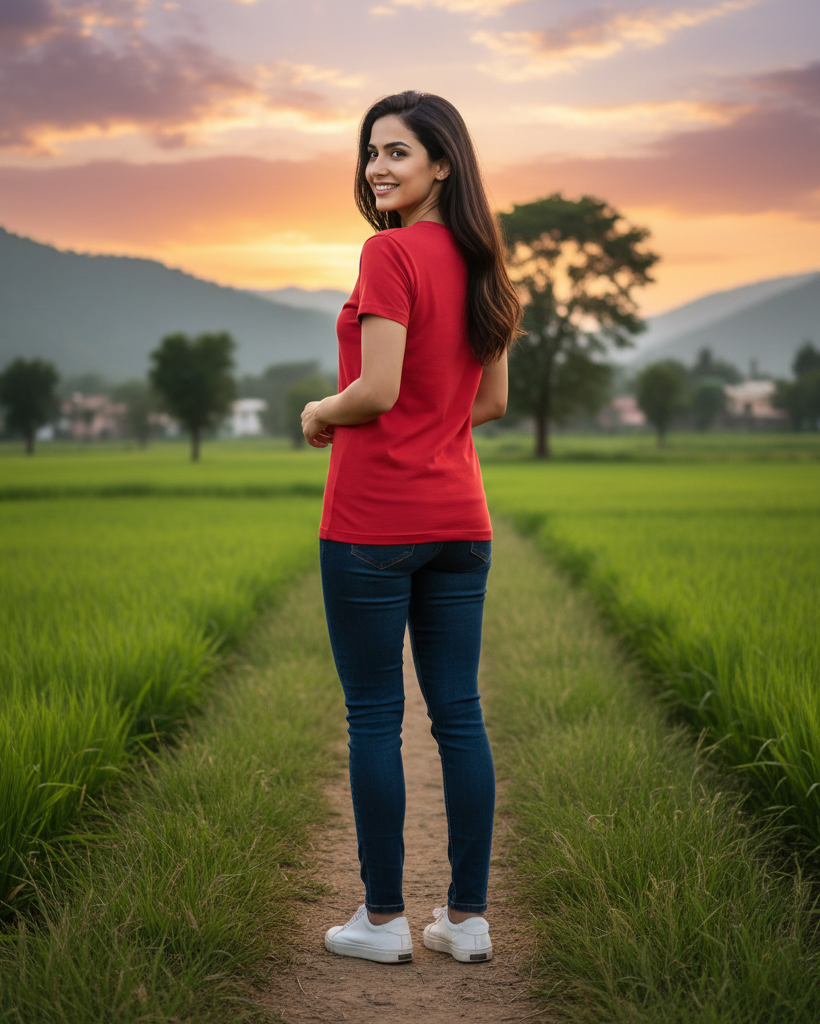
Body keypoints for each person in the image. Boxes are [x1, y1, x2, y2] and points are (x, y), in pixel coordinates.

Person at [301, 90, 521, 965]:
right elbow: (493, 401)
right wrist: (438, 428)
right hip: (461, 520)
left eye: (397, 152)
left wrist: (320, 409)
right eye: (371, 153)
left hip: (370, 522)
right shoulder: (484, 265)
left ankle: (383, 923)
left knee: (373, 718)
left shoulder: (387, 252)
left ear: (442, 164)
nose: (378, 168)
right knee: (459, 715)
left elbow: (378, 389)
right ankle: (466, 922)